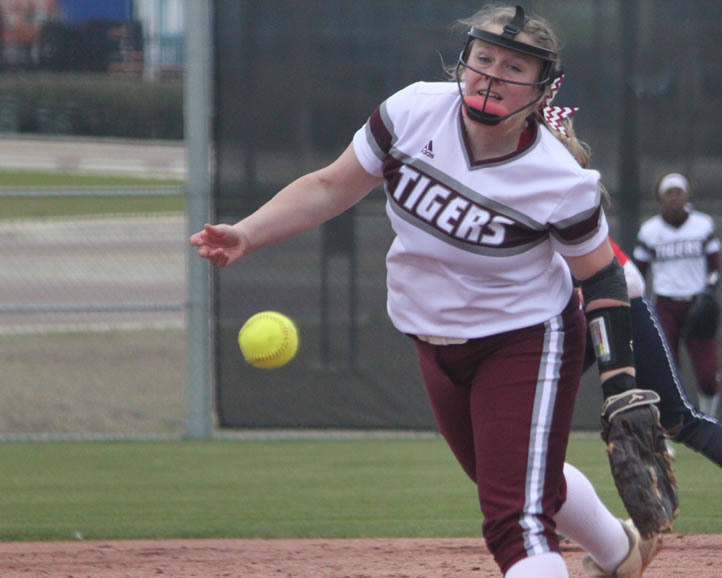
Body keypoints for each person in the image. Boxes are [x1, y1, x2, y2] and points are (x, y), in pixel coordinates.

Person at [191, 5, 660, 577]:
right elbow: (330, 186)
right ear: (463, 62)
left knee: (515, 520)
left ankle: (592, 555)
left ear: (542, 88)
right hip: (432, 336)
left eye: (514, 67)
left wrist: (621, 384)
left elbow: (601, 276)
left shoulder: (558, 179)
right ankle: (621, 553)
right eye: (484, 58)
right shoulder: (413, 112)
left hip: (525, 340)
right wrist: (247, 233)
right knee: (514, 477)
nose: (491, 75)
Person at [586, 238, 722, 548]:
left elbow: (631, 279)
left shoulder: (569, 215)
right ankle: (556, 512)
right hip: (572, 322)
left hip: (623, 310)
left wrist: (580, 297)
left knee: (678, 419)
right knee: (544, 411)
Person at [632, 172, 722, 417]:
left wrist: (710, 293)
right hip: (665, 305)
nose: (674, 198)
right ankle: (672, 422)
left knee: (706, 373)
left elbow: (714, 266)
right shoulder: (650, 230)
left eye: (678, 192)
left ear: (686, 195)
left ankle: (710, 419)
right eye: (669, 193)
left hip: (697, 303)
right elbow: (638, 271)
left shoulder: (702, 225)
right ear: (661, 198)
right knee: (667, 370)